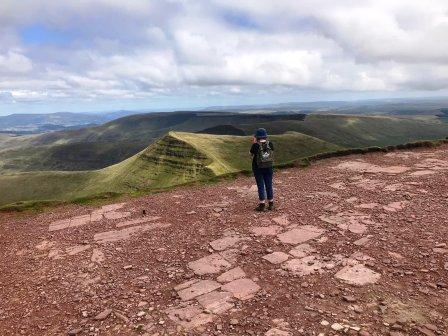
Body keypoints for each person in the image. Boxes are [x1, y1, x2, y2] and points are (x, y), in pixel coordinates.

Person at [250, 128, 274, 211]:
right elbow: (272, 152)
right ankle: (271, 204)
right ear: (265, 136)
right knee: (269, 184)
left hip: (258, 168)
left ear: (257, 137)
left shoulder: (255, 145)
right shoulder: (270, 143)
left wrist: (254, 143)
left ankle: (262, 205)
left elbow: (251, 154)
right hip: (269, 167)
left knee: (261, 185)